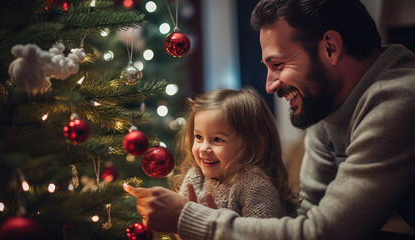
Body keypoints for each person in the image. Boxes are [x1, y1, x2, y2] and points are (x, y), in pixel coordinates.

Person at [124, 0, 415, 239]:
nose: (270, 85)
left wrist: (188, 218)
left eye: (278, 65)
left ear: (331, 48)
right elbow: (309, 217)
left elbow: (325, 232)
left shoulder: (399, 99)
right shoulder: (328, 110)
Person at [169, 88, 299, 219]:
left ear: (256, 146)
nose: (203, 148)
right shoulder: (195, 177)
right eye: (198, 137)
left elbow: (261, 234)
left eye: (217, 139)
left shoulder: (255, 186)